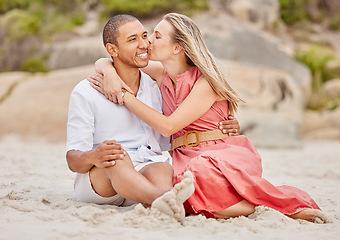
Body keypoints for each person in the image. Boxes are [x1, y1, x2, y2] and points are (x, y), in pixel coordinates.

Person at [90, 13, 327, 223]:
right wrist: (107, 69)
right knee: (181, 188)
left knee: (197, 173)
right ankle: (251, 206)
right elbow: (110, 60)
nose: (149, 40)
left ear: (177, 47)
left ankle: (276, 207)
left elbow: (168, 126)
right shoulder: (162, 75)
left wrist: (124, 96)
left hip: (218, 154)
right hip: (184, 156)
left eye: (157, 36)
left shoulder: (205, 82)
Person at [66, 14, 239, 222]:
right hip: (101, 183)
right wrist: (94, 156)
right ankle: (163, 199)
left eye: (145, 35)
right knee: (116, 157)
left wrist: (224, 126)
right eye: (132, 39)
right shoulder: (87, 91)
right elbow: (73, 160)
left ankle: (160, 201)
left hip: (143, 172)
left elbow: (180, 120)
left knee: (162, 166)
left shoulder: (156, 85)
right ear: (113, 50)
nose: (144, 44)